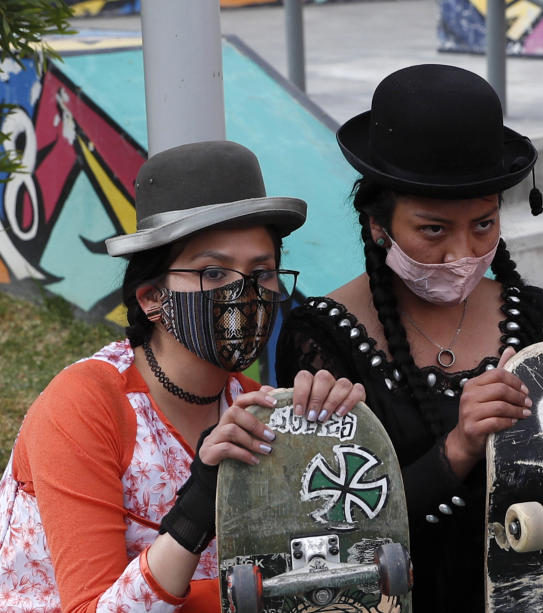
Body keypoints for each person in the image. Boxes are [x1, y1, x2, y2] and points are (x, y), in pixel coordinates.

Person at [274, 64, 543, 612]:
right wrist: (460, 447)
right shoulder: (320, 340)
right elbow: (332, 529)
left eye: (484, 224)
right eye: (433, 229)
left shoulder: (534, 315)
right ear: (377, 224)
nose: (462, 253)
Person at [0, 141, 365, 612]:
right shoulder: (85, 406)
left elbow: (316, 586)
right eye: (213, 272)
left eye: (263, 271)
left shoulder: (257, 409)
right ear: (152, 298)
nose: (244, 293)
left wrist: (329, 442)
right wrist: (198, 506)